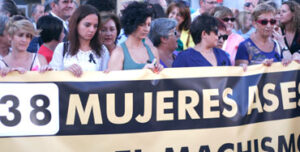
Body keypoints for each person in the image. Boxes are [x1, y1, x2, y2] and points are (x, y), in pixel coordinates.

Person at [50, 5, 109, 77]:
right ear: (76, 24)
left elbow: (105, 79)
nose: (92, 30)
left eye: (95, 26)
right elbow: (53, 76)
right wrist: (65, 71)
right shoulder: (62, 48)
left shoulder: (102, 50)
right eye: (87, 25)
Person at [107, 2, 162, 71]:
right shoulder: (118, 53)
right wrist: (142, 73)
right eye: (142, 24)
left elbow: (156, 80)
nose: (146, 29)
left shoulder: (153, 51)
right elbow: (114, 81)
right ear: (131, 23)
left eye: (149, 24)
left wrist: (159, 71)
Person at [235, 4, 291, 68]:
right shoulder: (245, 46)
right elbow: (240, 73)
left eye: (272, 21)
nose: (269, 25)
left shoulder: (277, 45)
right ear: (254, 24)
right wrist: (260, 66)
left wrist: (282, 44)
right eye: (264, 22)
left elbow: (290, 63)